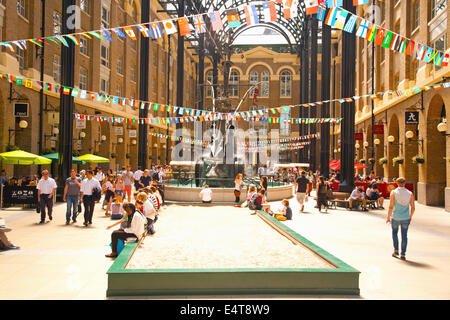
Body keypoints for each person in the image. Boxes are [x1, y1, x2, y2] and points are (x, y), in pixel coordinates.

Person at [386, 177, 415, 261]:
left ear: (397, 183)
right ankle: (403, 254)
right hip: (406, 217)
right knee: (404, 236)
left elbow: (391, 206)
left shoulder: (393, 193)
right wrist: (410, 216)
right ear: (404, 183)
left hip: (395, 216)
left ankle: (396, 251)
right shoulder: (410, 193)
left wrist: (388, 217)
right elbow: (413, 207)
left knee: (394, 233)